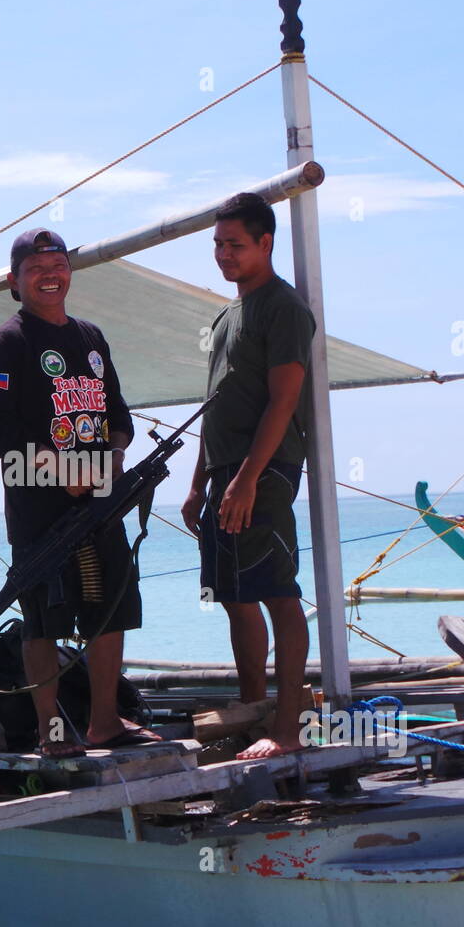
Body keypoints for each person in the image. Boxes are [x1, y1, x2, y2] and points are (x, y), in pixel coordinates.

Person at [0, 227, 161, 757]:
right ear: (15, 281)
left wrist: (117, 455)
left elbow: (118, 416)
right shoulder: (7, 343)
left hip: (101, 506)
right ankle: (50, 733)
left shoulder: (91, 338)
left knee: (111, 612)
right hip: (39, 510)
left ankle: (105, 723)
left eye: (57, 265)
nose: (49, 275)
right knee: (43, 622)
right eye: (36, 269)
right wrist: (60, 470)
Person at [181, 193, 314, 759]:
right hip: (223, 471)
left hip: (266, 471)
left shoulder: (283, 308)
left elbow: (284, 400)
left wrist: (247, 480)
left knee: (278, 593)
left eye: (234, 244)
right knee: (233, 595)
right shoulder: (225, 315)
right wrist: (198, 483)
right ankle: (252, 709)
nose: (223, 254)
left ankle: (286, 726)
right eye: (217, 244)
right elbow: (216, 403)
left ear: (266, 243)